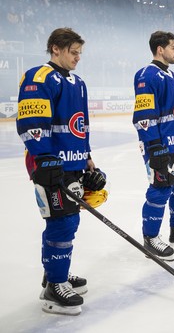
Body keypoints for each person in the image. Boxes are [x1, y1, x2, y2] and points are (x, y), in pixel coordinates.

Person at [16, 28, 107, 315]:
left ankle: (55, 272)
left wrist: (87, 158)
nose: (78, 58)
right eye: (73, 52)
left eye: (80, 52)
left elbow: (79, 127)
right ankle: (53, 287)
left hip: (73, 163)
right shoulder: (38, 77)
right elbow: (32, 123)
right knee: (60, 223)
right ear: (56, 49)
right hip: (50, 164)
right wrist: (44, 160)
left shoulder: (78, 83)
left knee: (70, 221)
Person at [132, 31, 174, 262]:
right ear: (160, 49)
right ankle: (150, 238)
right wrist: (154, 147)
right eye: (173, 46)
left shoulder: (172, 76)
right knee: (160, 189)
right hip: (160, 146)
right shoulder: (146, 75)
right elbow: (144, 117)